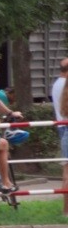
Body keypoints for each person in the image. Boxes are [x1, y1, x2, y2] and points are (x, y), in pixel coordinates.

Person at [53, 58, 68, 216]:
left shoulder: (58, 84)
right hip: (66, 127)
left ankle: (66, 210)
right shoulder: (64, 85)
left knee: (66, 172)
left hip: (63, 127)